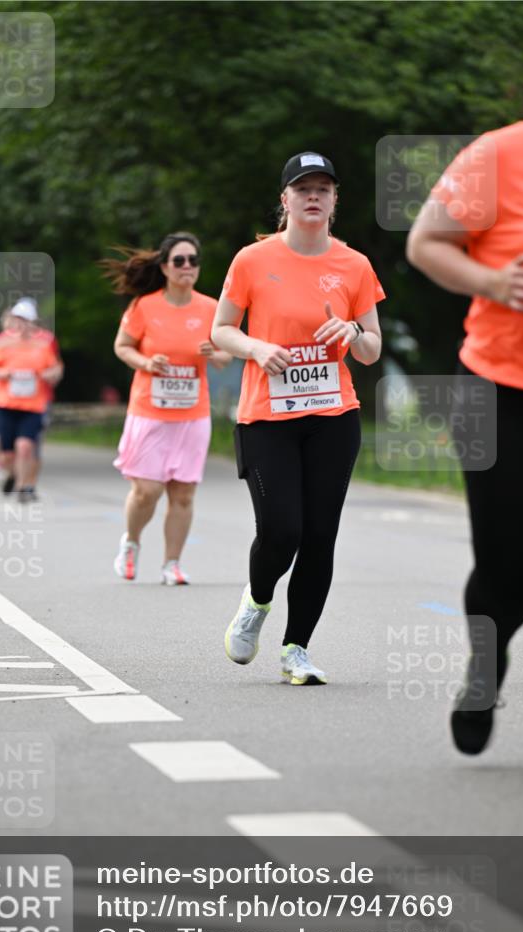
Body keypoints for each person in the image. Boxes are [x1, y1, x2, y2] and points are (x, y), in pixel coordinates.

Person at [406, 24, 523, 779]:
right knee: (508, 570)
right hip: (502, 388)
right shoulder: (499, 155)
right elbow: (426, 241)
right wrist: (492, 283)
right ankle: (485, 662)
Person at [212, 152, 384, 684]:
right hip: (267, 418)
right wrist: (257, 348)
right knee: (281, 529)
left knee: (319, 536)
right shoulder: (251, 260)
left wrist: (354, 334)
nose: (313, 196)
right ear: (284, 200)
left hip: (334, 417)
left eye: (324, 189)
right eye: (303, 188)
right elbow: (221, 329)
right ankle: (257, 601)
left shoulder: (353, 265)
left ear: (335, 202)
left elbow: (373, 348)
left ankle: (297, 649)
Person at [103, 232, 231, 585]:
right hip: (150, 411)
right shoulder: (145, 306)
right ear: (164, 266)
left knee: (183, 493)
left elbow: (227, 355)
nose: (187, 266)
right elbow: (122, 346)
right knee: (148, 490)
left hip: (192, 414)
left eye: (193, 260)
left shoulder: (210, 308)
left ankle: (171, 564)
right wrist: (146, 362)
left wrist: (214, 354)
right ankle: (131, 542)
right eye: (179, 260)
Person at [0, 302, 63, 502]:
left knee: (26, 446)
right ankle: (12, 474)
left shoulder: (43, 343)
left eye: (26, 321)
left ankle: (22, 487)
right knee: (7, 454)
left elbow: (56, 369)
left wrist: (50, 374)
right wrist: (5, 373)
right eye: (19, 319)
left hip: (34, 404)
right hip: (6, 403)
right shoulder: (0, 342)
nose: (22, 324)